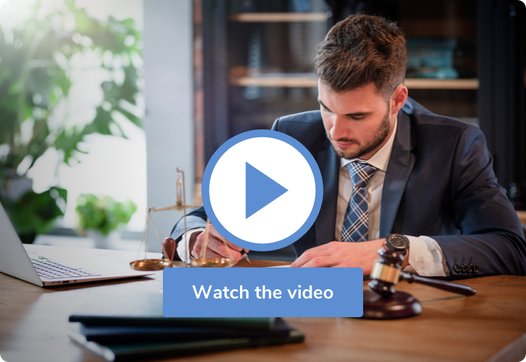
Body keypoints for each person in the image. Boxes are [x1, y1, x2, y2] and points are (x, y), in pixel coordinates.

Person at [170, 14, 526, 278]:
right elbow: (202, 219)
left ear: (397, 99)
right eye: (327, 108)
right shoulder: (295, 135)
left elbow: (510, 248)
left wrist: (391, 251)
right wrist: (198, 239)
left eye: (357, 116)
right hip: (313, 322)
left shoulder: (454, 146)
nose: (335, 131)